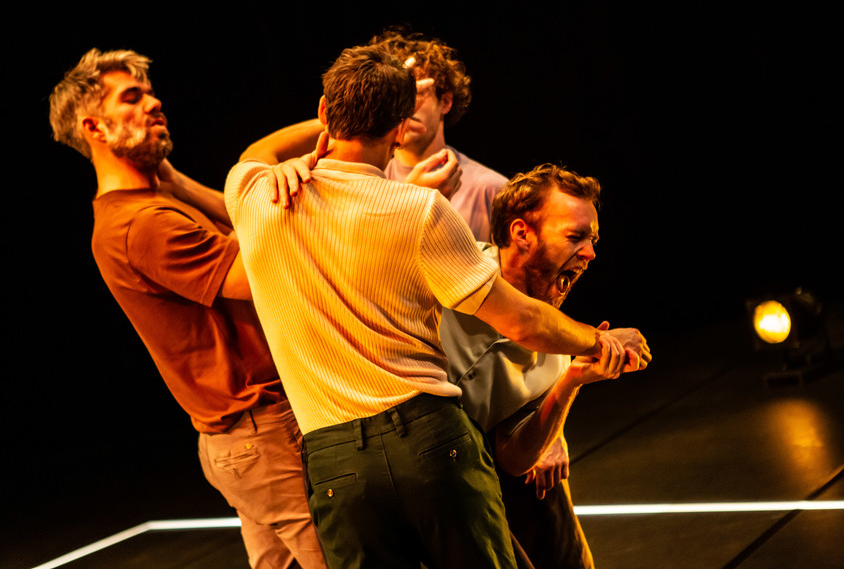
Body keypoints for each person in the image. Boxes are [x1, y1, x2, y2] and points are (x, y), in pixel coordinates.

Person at [225, 43, 650, 569]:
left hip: (334, 455)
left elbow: (257, 150)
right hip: (427, 437)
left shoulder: (255, 192)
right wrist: (599, 340)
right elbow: (521, 319)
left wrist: (333, 123)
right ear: (400, 127)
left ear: (323, 111)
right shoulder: (419, 207)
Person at [49, 48, 326, 569]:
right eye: (131, 97)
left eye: (150, 93)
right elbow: (261, 270)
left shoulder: (153, 204)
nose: (154, 103)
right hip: (264, 435)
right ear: (94, 127)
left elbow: (237, 225)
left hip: (245, 440)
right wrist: (309, 152)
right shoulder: (143, 224)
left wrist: (176, 181)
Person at [441, 164, 627, 568]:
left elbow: (514, 456)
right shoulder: (457, 264)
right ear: (521, 233)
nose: (590, 253)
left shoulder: (557, 347)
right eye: (575, 237)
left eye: (592, 240)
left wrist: (572, 381)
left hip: (466, 475)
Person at [371, 28, 508, 242]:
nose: (403, 107)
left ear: (445, 102)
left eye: (415, 93)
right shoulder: (366, 179)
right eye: (395, 95)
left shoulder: (491, 190)